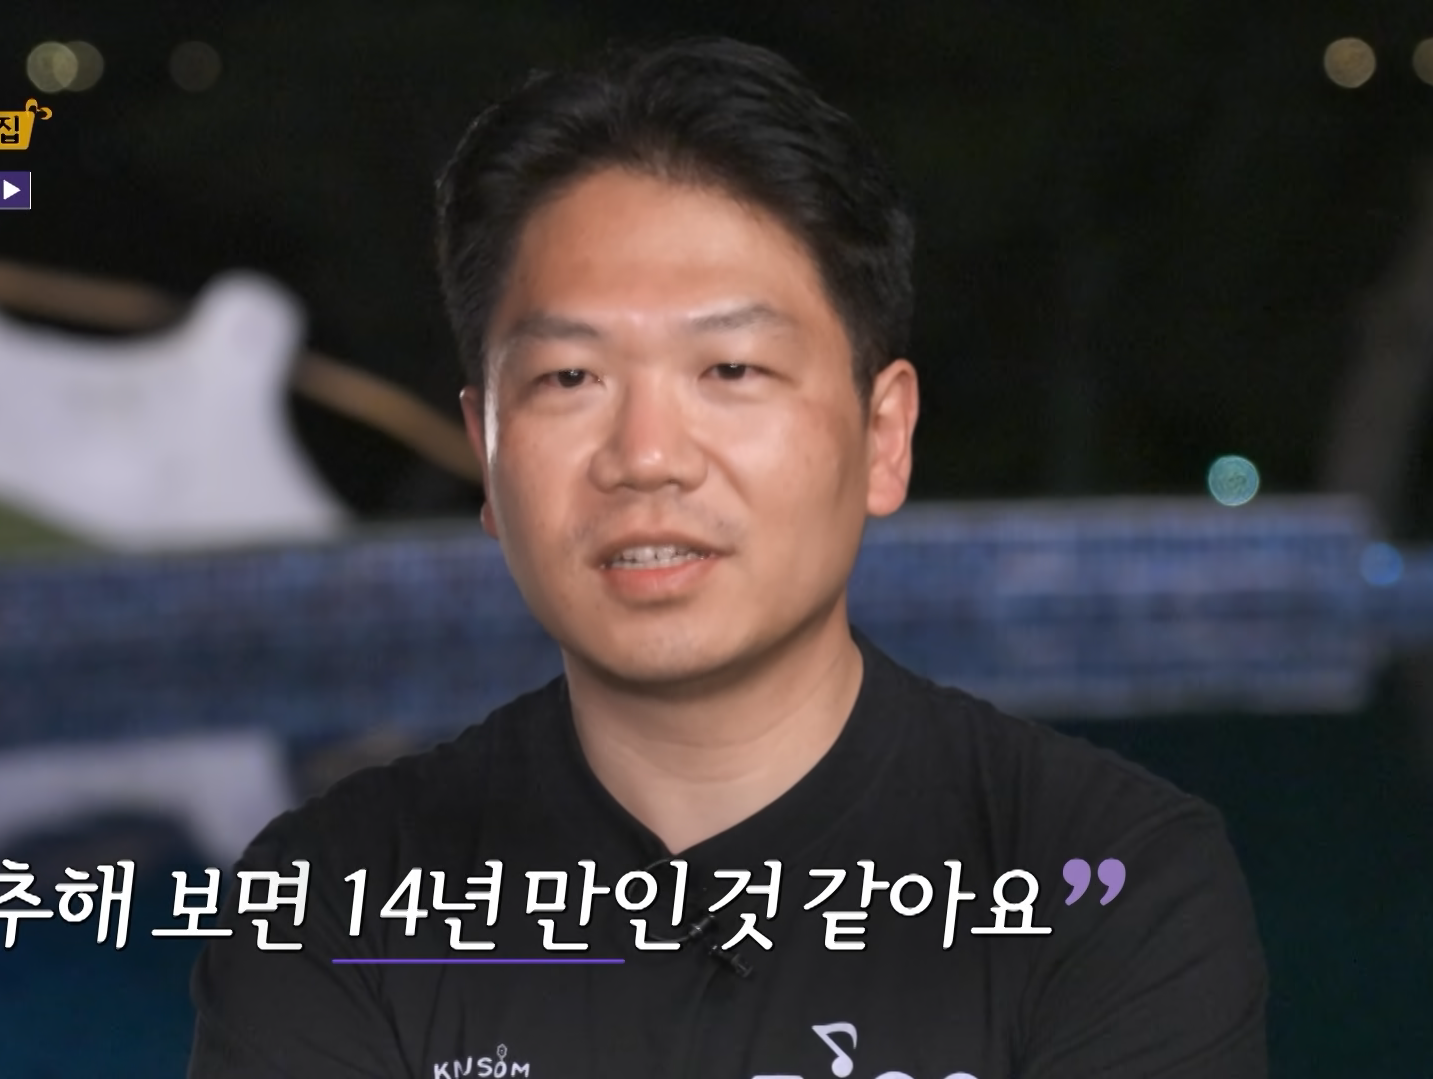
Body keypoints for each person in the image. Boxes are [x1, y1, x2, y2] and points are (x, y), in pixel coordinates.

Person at [188, 36, 1267, 1079]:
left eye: (732, 368)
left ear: (883, 435)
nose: (647, 456)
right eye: (569, 378)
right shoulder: (332, 905)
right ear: (488, 448)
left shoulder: (1107, 881)